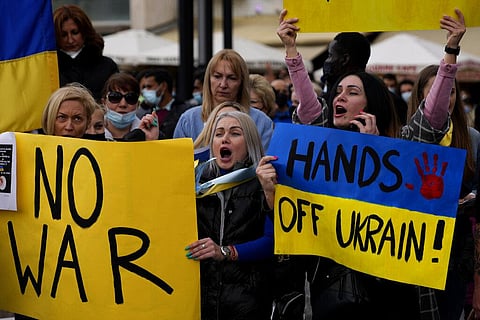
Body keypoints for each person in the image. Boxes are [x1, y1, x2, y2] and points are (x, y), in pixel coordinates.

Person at [401, 9, 480, 320]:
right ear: (422, 98)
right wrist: (451, 49)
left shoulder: (472, 138)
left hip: (455, 252)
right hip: (414, 248)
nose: (445, 97)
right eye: (436, 92)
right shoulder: (408, 136)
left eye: (450, 91)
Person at [185, 111, 274, 320]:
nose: (224, 138)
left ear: (249, 142)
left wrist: (224, 252)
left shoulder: (264, 182)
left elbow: (272, 242)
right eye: (218, 134)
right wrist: (150, 143)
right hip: (201, 300)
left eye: (235, 133)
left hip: (247, 301)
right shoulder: (195, 184)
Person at [173, 49, 274, 151]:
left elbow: (264, 163)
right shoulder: (189, 120)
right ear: (208, 79)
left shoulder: (261, 122)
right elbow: (177, 162)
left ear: (242, 83)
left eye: (232, 78)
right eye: (217, 76)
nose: (223, 84)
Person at [53, 4, 118, 101]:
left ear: (85, 32)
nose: (70, 40)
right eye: (64, 35)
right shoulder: (49, 67)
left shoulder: (106, 66)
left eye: (75, 32)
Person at [101, 72, 158, 142]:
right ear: (104, 102)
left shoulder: (152, 134)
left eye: (131, 98)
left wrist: (151, 141)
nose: (123, 104)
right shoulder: (90, 132)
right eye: (115, 97)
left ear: (138, 104)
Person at [136, 68, 192, 139]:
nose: (144, 91)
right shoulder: (144, 114)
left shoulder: (186, 113)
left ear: (163, 86)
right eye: (143, 87)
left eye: (149, 87)